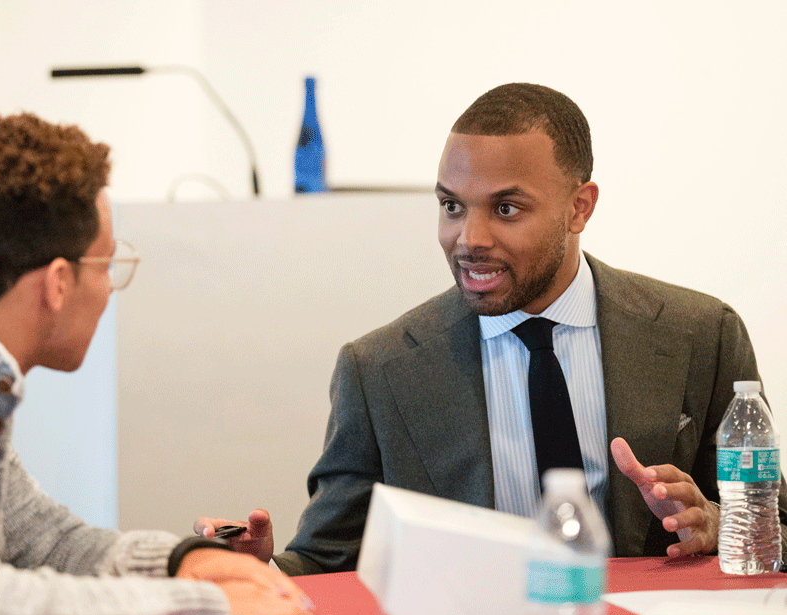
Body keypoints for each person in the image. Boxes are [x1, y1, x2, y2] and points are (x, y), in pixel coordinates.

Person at [196, 82, 787, 575]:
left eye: (505, 208)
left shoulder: (701, 335)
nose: (469, 238)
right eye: (452, 205)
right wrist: (261, 566)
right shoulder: (379, 371)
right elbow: (330, 557)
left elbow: (773, 522)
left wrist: (718, 520)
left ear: (580, 207)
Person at [0, 112, 318, 615]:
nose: (109, 290)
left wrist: (185, 561)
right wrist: (205, 607)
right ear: (56, 284)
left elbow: (46, 543)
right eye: (107, 266)